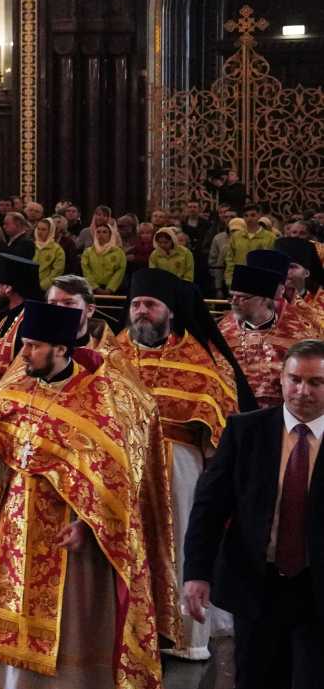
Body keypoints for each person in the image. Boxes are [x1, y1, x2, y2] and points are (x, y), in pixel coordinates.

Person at [0, 299, 164, 689]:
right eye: (25, 345)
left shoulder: (98, 400)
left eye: (33, 346)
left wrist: (87, 524)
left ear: (61, 349)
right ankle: (7, 684)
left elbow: (114, 476)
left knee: (69, 617)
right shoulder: (19, 388)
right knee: (10, 599)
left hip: (68, 525)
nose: (25, 354)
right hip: (17, 517)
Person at [186, 339, 324, 689]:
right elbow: (210, 506)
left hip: (316, 592)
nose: (303, 391)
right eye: (295, 379)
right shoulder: (247, 431)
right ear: (281, 380)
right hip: (259, 584)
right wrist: (197, 573)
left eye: (316, 382)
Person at [106, 265, 249, 663]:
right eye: (136, 304)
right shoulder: (110, 355)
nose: (141, 311)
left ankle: (186, 636)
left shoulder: (199, 361)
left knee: (182, 544)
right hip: (121, 464)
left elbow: (219, 432)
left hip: (179, 468)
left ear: (169, 311)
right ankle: (122, 631)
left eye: (150, 305)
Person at [225, 250, 294, 409]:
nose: (235, 302)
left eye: (242, 297)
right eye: (233, 297)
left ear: (264, 299)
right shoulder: (223, 331)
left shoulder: (299, 330)